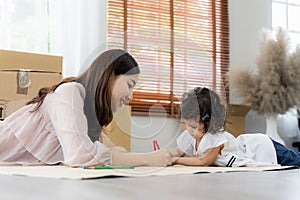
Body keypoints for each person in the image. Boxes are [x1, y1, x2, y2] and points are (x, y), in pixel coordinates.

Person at [0, 49, 172, 167]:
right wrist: (148, 159)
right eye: (130, 84)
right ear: (111, 75)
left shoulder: (88, 112)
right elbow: (81, 156)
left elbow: (101, 152)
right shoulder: (71, 92)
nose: (131, 96)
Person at [170, 87, 300, 167]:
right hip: (251, 146)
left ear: (209, 123)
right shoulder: (192, 136)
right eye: (185, 124)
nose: (189, 130)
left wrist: (177, 161)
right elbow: (176, 151)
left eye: (193, 126)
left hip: (259, 147)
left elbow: (204, 161)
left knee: (294, 159)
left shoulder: (215, 137)